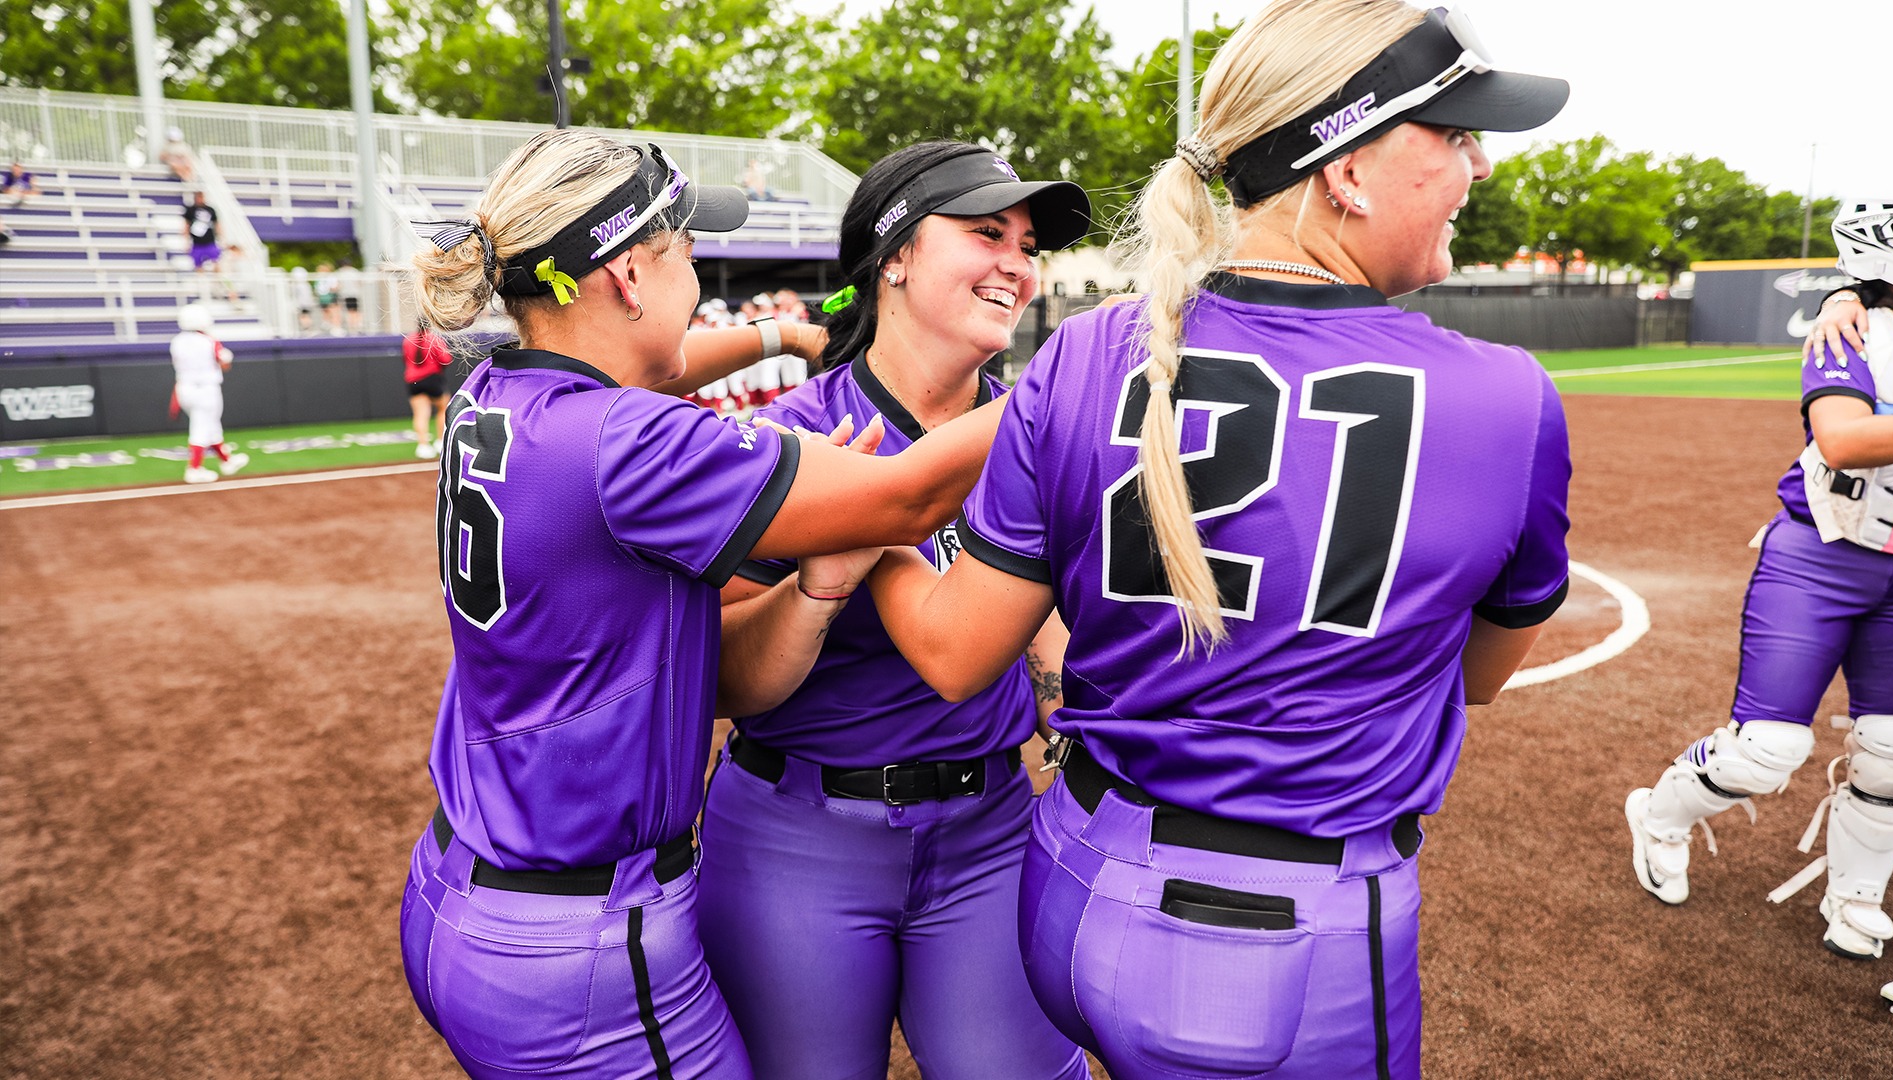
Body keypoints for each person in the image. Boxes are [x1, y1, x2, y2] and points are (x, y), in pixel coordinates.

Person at [842, 4, 1570, 1076]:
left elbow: (953, 653)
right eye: (1455, 134)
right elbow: (1480, 676)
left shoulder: (1088, 352)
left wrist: (881, 531)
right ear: (1347, 170)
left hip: (1075, 890)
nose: (1481, 165)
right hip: (1283, 939)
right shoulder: (1507, 398)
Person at [398, 128, 1010, 1080]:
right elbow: (909, 498)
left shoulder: (494, 390)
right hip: (584, 938)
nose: (701, 268)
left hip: (460, 885)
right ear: (629, 278)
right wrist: (1080, 372)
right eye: (684, 250)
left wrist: (781, 333)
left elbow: (655, 363)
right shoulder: (628, 444)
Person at [697, 141, 1094, 1080]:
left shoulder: (1038, 432)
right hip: (797, 842)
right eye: (986, 232)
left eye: (1027, 244)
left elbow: (1048, 642)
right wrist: (818, 585)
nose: (1016, 264)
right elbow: (721, 677)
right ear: (898, 256)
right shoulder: (793, 437)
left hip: (991, 829)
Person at [1628, 199, 1893, 961]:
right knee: (1764, 749)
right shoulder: (1850, 327)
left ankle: (1856, 896)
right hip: (1821, 558)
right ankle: (1660, 814)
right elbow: (1845, 438)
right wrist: (1841, 293)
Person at [169, 303, 250, 484]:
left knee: (210, 425)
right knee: (201, 428)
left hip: (184, 388)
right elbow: (224, 363)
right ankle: (194, 469)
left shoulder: (177, 341)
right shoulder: (209, 340)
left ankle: (227, 461)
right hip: (206, 389)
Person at [402, 317, 454, 459]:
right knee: (443, 409)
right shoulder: (434, 339)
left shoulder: (408, 340)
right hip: (432, 379)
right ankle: (440, 441)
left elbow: (405, 359)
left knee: (420, 414)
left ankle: (423, 445)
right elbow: (446, 359)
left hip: (414, 381)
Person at [183, 191, 221, 273]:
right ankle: (201, 282)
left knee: (216, 261)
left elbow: (216, 224)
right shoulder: (191, 210)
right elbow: (186, 225)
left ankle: (218, 281)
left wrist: (220, 236)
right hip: (197, 242)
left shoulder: (210, 210)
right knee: (198, 264)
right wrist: (186, 241)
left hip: (210, 241)